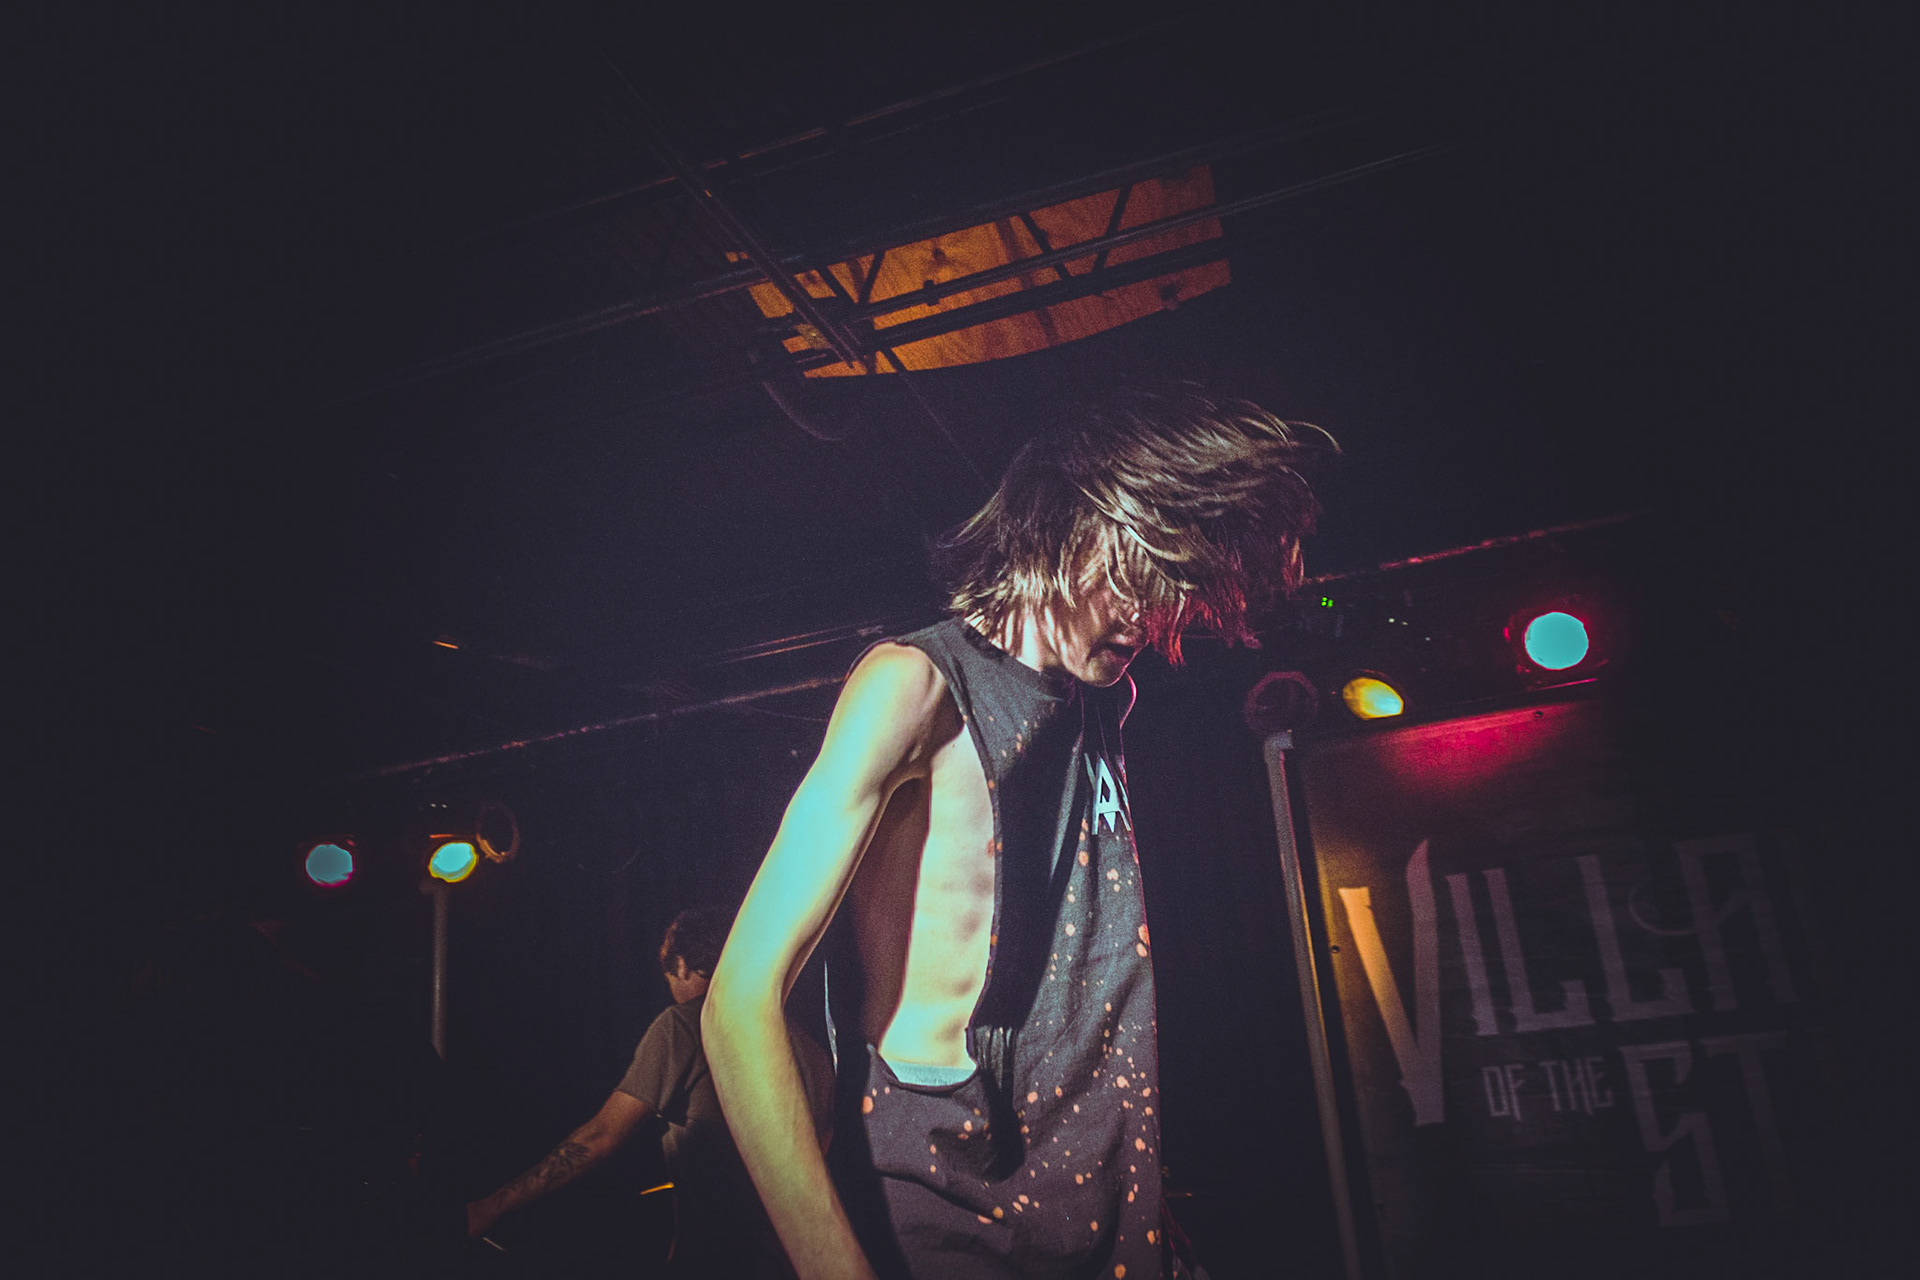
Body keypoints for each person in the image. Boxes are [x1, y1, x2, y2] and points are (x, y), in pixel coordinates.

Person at [703, 388, 1329, 1280]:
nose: (1147, 617)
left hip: (1096, 1202)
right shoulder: (914, 687)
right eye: (1130, 577)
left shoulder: (1101, 701)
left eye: (1167, 591)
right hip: (943, 1200)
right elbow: (738, 1003)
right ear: (1057, 529)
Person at [468, 906, 833, 1276]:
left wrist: (492, 1207)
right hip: (802, 1264)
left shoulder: (683, 1025)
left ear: (681, 964)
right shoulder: (811, 1049)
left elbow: (601, 1136)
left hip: (721, 1263)